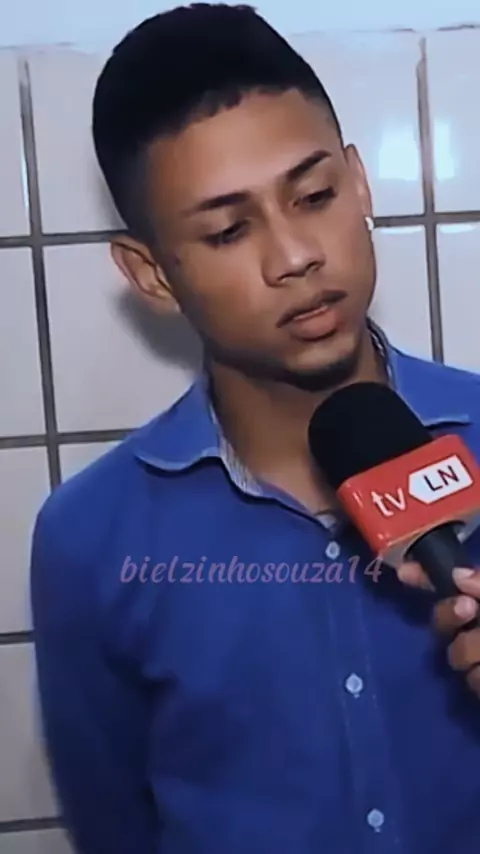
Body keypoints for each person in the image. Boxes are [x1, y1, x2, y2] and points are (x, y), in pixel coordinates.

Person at [30, 5, 480, 854]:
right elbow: (113, 826)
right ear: (150, 274)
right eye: (229, 230)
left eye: (314, 196)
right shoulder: (90, 540)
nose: (296, 256)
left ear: (359, 183)